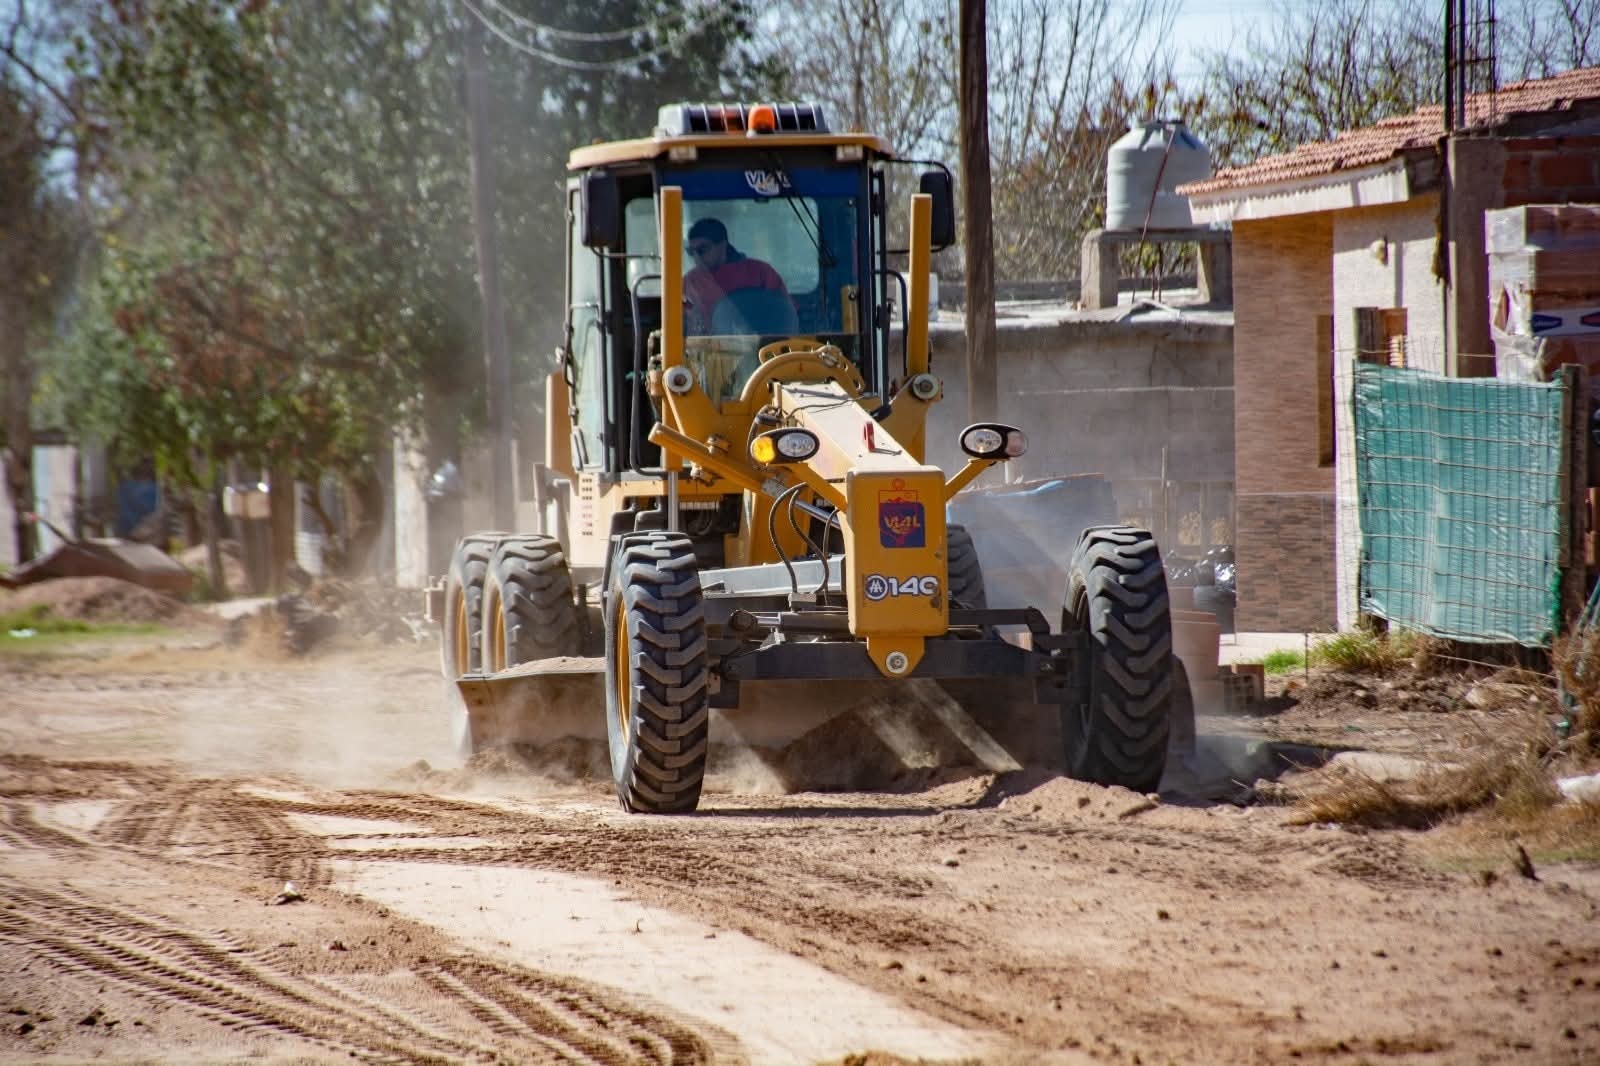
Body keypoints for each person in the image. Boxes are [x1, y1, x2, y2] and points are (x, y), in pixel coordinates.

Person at [682, 217, 792, 335]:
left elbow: (786, 315)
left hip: (763, 345)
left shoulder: (761, 273)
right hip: (710, 348)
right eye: (691, 252)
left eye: (702, 250)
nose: (696, 257)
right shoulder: (690, 281)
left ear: (722, 245)